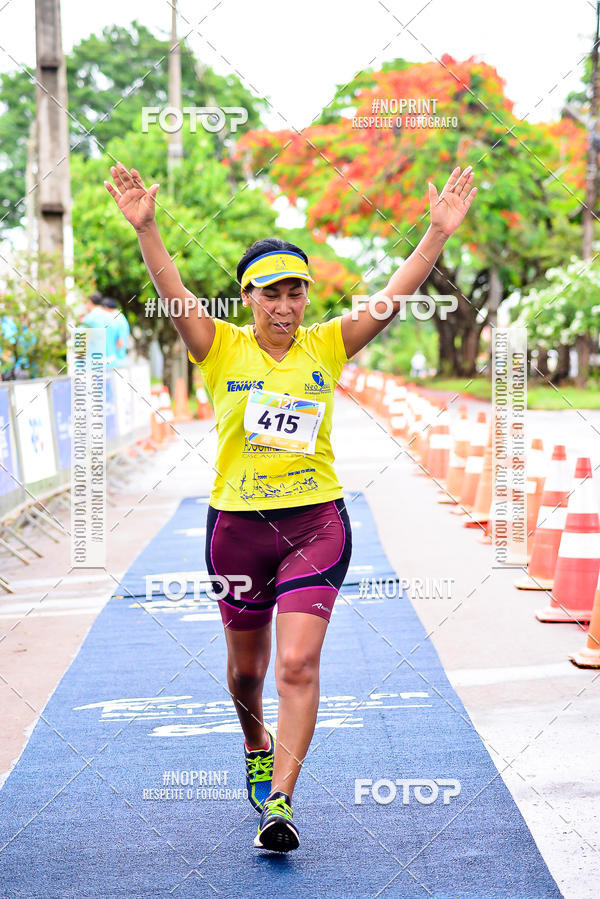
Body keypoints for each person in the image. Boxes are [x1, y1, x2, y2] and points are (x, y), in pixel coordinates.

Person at [104, 161, 477, 852]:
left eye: (296, 292)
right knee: (247, 672)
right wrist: (148, 228)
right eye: (272, 293)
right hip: (237, 533)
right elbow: (172, 289)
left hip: (315, 524)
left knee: (297, 664)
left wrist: (434, 234)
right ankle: (254, 739)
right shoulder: (220, 348)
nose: (286, 306)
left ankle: (281, 797)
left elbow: (395, 295)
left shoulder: (325, 343)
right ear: (248, 297)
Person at [80, 292, 119, 366]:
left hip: (96, 364)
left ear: (90, 302)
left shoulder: (89, 318)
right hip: (111, 361)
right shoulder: (110, 317)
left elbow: (81, 340)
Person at [101, 297, 130, 366]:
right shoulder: (120, 316)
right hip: (117, 359)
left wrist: (112, 354)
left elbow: (120, 341)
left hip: (116, 360)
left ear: (106, 308)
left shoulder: (116, 318)